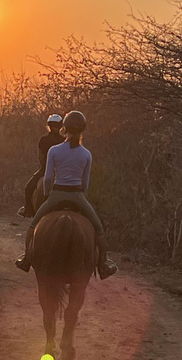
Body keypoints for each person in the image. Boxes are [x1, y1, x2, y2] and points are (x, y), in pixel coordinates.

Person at [15, 110, 118, 279]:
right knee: (99, 228)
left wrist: (48, 195)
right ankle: (103, 264)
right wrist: (80, 196)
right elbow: (85, 182)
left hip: (56, 193)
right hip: (77, 195)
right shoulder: (86, 154)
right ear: (82, 130)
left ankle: (26, 259)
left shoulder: (54, 151)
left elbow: (48, 177)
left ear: (64, 128)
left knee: (33, 226)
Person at [16, 114, 65, 218]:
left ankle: (28, 209)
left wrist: (44, 167)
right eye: (54, 126)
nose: (55, 128)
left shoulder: (43, 139)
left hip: (45, 169)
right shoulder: (64, 140)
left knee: (28, 188)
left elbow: (41, 157)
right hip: (61, 170)